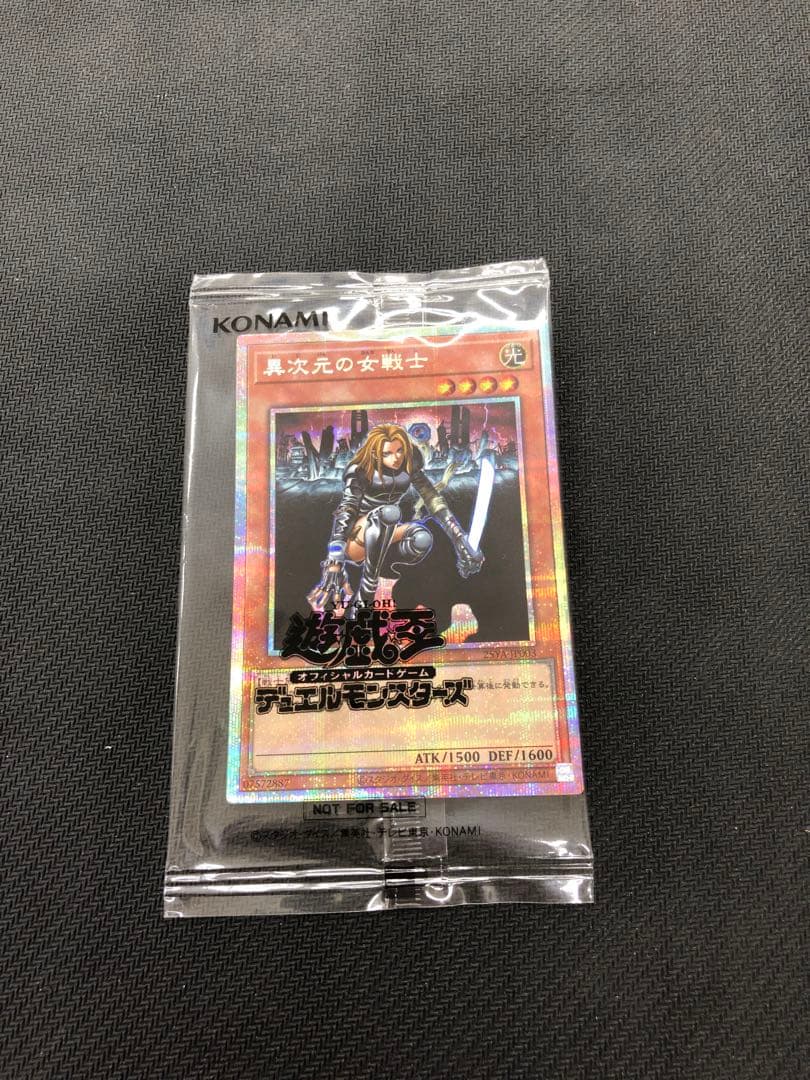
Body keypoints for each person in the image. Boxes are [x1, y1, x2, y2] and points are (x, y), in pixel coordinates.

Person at [307, 423, 483, 613]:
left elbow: (431, 497)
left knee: (421, 539)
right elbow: (347, 509)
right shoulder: (361, 469)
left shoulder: (409, 463)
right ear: (376, 454)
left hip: (384, 537)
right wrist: (335, 559)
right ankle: (365, 594)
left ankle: (383, 569)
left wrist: (458, 537)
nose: (396, 457)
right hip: (356, 540)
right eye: (388, 453)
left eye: (399, 451)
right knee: (390, 512)